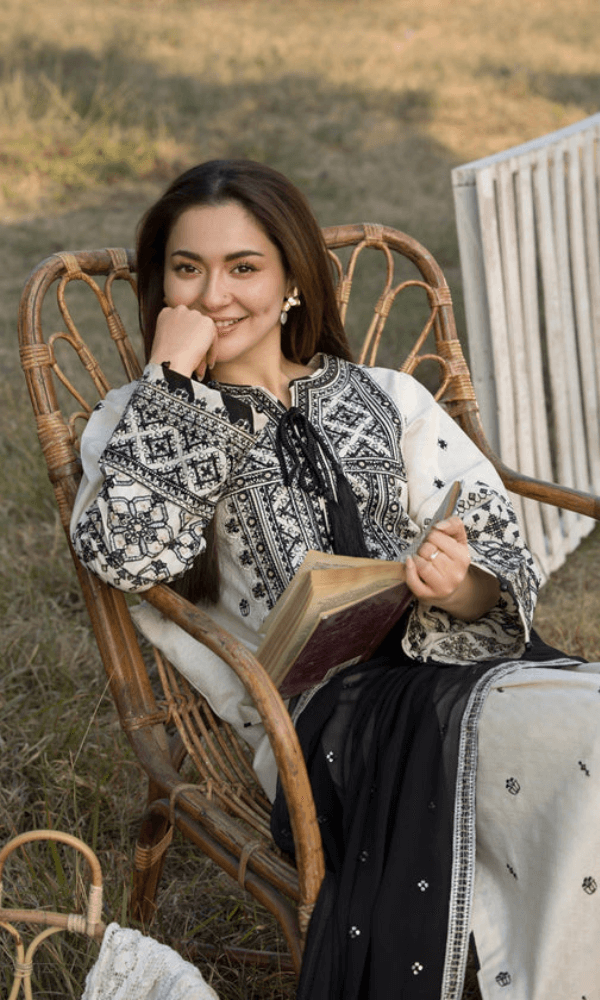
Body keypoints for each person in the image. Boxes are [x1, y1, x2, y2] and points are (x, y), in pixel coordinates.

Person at [70, 159, 600, 1000]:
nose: (214, 295)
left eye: (244, 267)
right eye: (187, 269)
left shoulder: (388, 396)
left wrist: (454, 581)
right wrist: (172, 386)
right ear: (161, 287)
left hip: (466, 670)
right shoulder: (134, 424)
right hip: (324, 727)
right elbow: (128, 556)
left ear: (291, 282)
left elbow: (498, 544)